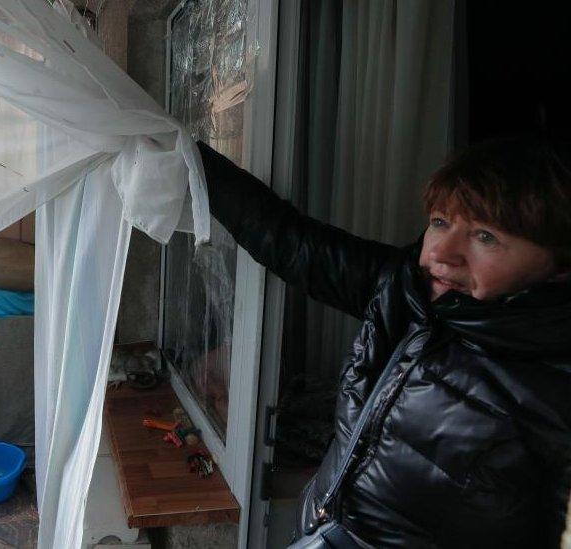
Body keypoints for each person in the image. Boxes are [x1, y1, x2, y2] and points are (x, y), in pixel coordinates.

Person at [196, 137, 571, 547]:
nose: (441, 253)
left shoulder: (555, 382)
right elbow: (290, 241)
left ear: (558, 265)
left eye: (485, 237)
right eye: (440, 222)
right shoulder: (407, 290)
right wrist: (188, 156)